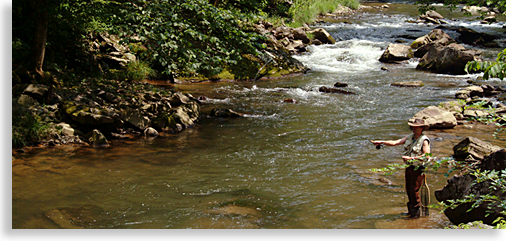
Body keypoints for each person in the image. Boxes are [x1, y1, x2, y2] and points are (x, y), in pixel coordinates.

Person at [370, 118, 431, 218]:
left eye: (416, 127)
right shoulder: (410, 137)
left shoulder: (424, 141)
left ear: (422, 128)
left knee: (414, 190)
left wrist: (411, 158)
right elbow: (395, 142)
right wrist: (381, 142)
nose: (414, 129)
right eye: (413, 127)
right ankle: (411, 213)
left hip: (418, 169)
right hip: (409, 168)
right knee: (409, 189)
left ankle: (415, 216)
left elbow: (427, 156)